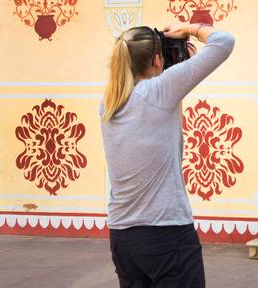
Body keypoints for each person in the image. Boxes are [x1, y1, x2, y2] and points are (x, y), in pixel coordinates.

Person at [100, 22, 234, 287]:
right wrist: (190, 29)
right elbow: (223, 41)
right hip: (166, 234)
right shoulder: (159, 91)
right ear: (158, 60)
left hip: (122, 236)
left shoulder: (109, 102)